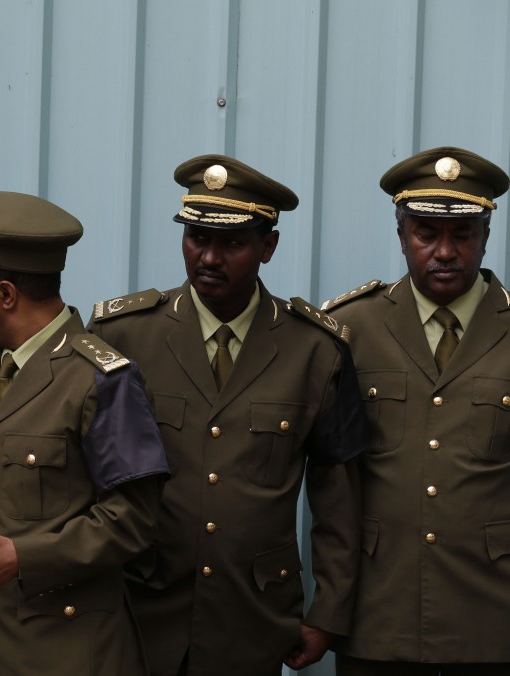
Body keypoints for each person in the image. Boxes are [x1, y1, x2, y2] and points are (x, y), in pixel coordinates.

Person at [88, 155, 366, 675]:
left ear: (268, 247)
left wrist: (327, 611)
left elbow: (338, 499)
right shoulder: (123, 337)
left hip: (254, 616)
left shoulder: (315, 350)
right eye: (196, 238)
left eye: (232, 243)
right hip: (142, 606)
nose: (209, 258)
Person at [0, 188, 169, 675]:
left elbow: (134, 520)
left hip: (70, 652)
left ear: (5, 294)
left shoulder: (101, 378)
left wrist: (24, 558)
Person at [324, 146, 510, 676]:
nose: (444, 251)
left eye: (463, 234)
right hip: (380, 615)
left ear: (486, 237)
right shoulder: (351, 329)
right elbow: (334, 481)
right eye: (426, 233)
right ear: (402, 235)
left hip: (491, 619)